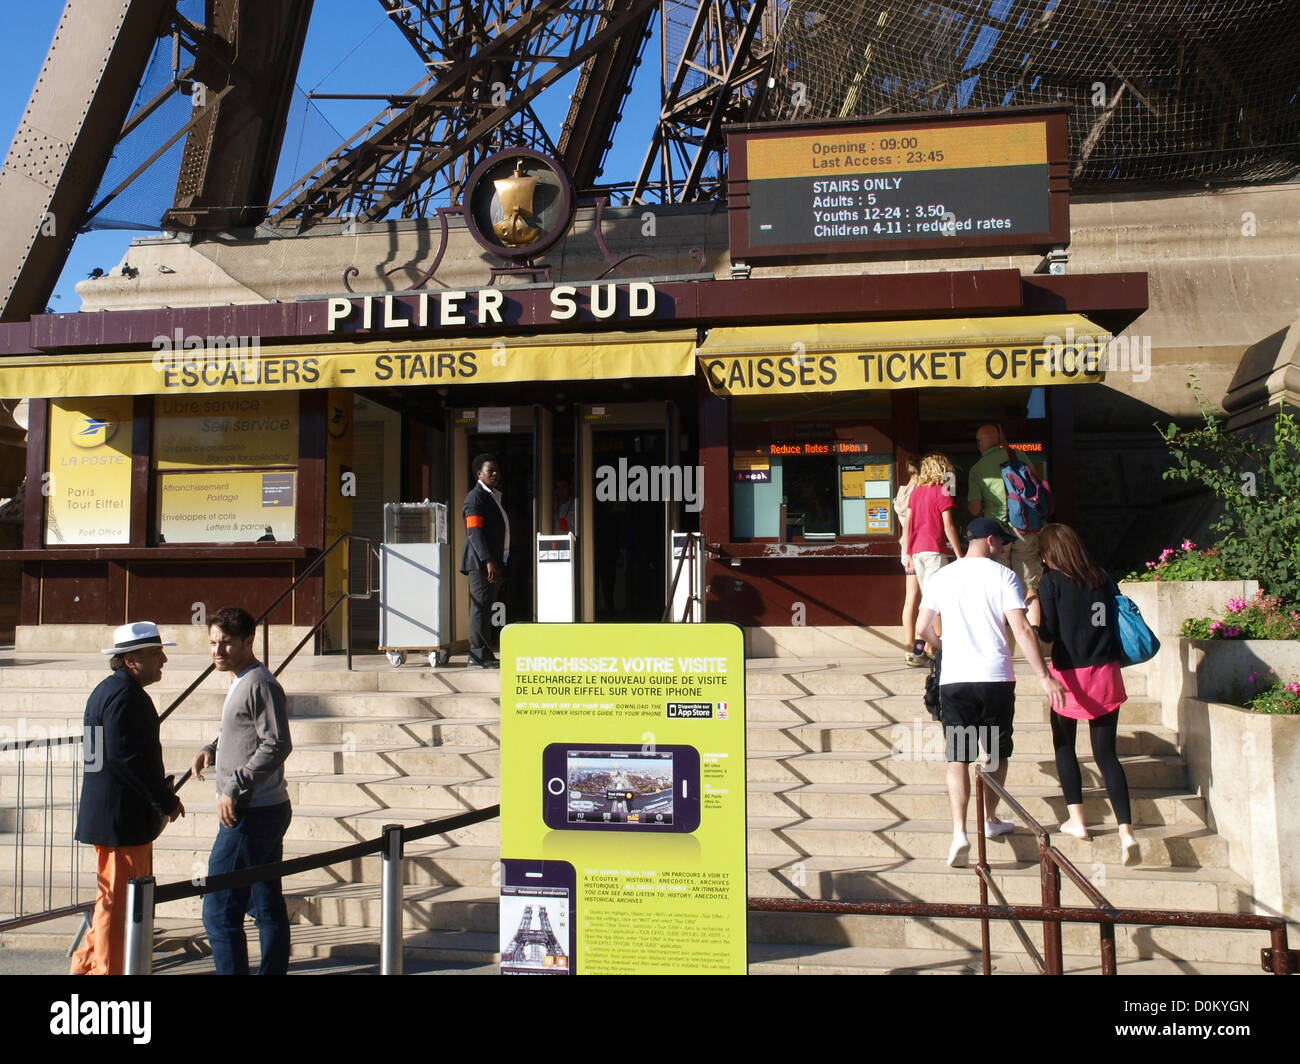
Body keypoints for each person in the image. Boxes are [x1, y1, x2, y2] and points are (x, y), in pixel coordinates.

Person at [917, 518, 1066, 867]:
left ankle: (959, 833)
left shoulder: (942, 577)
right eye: (1001, 542)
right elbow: (1023, 629)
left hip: (955, 679)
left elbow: (923, 628)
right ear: (988, 541)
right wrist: (1044, 676)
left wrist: (943, 649)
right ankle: (989, 819)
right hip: (995, 677)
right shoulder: (1003, 577)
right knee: (996, 754)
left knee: (958, 758)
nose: (1004, 548)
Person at [70, 621, 184, 975]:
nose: (163, 659)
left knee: (112, 900)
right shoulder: (124, 696)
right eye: (155, 653)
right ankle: (107, 971)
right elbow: (125, 760)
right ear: (132, 659)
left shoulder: (107, 691)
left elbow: (101, 757)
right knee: (118, 903)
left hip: (112, 817)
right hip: (121, 821)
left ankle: (89, 965)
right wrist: (163, 800)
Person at [191, 606, 293, 975]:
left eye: (227, 643)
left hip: (251, 811)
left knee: (219, 910)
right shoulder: (241, 679)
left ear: (249, 641)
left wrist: (235, 784)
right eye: (213, 643)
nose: (217, 651)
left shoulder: (259, 682)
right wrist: (212, 749)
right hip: (259, 807)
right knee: (265, 902)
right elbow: (244, 729)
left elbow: (277, 743)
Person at [1035, 523, 1141, 864]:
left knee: (1064, 746)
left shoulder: (1050, 583)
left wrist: (1033, 609)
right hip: (1106, 672)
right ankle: (1127, 833)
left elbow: (1048, 634)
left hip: (1069, 676)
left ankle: (1078, 821)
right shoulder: (1100, 577)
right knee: (1107, 755)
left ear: (1050, 554)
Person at [967, 423, 1043, 626]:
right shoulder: (1018, 455)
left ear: (979, 442)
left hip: (997, 533)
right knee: (1028, 587)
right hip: (1025, 527)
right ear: (999, 438)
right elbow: (1035, 483)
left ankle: (1002, 639)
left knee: (999, 587)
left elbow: (974, 509)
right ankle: (1033, 637)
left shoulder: (977, 469)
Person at [905, 452, 963, 663]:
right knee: (937, 601)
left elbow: (909, 526)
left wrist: (908, 553)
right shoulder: (942, 492)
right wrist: (959, 554)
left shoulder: (916, 493)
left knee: (929, 600)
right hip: (935, 551)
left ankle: (922, 648)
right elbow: (948, 525)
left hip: (918, 552)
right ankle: (937, 647)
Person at [460, 453, 510, 668]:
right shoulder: (475, 497)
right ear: (479, 473)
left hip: (493, 562)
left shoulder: (493, 496)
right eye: (490, 471)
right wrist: (488, 560)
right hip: (480, 562)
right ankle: (476, 655)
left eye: (497, 470)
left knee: (487, 607)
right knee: (480, 607)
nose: (495, 474)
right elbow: (474, 531)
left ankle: (485, 652)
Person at [894, 456, 922, 665]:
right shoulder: (920, 493)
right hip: (921, 548)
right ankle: (929, 646)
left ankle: (909, 645)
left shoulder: (902, 492)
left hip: (907, 549)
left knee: (910, 599)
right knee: (931, 599)